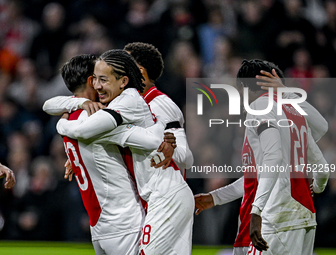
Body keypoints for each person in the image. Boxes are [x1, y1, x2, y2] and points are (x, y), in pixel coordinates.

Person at [54, 49, 194, 255]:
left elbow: (184, 156)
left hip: (164, 195)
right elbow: (52, 105)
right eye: (97, 79)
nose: (99, 85)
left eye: (104, 78)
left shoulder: (146, 101)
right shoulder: (110, 106)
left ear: (129, 76)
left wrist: (168, 147)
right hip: (149, 198)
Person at [195, 59, 329, 255]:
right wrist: (216, 197)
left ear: (243, 86)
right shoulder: (295, 115)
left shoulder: (260, 107)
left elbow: (273, 160)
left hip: (277, 217)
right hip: (303, 217)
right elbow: (321, 165)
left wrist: (256, 212)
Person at [123, 42, 193, 175]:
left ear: (140, 72)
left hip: (167, 194)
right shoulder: (131, 105)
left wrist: (164, 147)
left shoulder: (161, 105)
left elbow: (186, 158)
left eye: (123, 66)